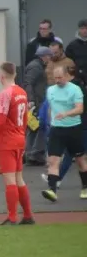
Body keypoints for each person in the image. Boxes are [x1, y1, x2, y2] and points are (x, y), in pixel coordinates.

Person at [0, 62, 35, 225]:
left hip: (8, 140)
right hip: (20, 138)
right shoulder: (21, 92)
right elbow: (26, 117)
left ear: (1, 76)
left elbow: (0, 122)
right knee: (19, 178)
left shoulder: (5, 94)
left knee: (10, 180)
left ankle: (12, 217)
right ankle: (27, 215)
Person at [41, 65, 87, 202]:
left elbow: (80, 109)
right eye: (55, 78)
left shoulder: (75, 89)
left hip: (73, 128)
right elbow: (50, 108)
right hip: (57, 129)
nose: (58, 80)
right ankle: (52, 190)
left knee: (80, 160)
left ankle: (85, 187)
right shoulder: (50, 90)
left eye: (60, 77)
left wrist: (66, 114)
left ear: (67, 76)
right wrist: (50, 122)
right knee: (53, 160)